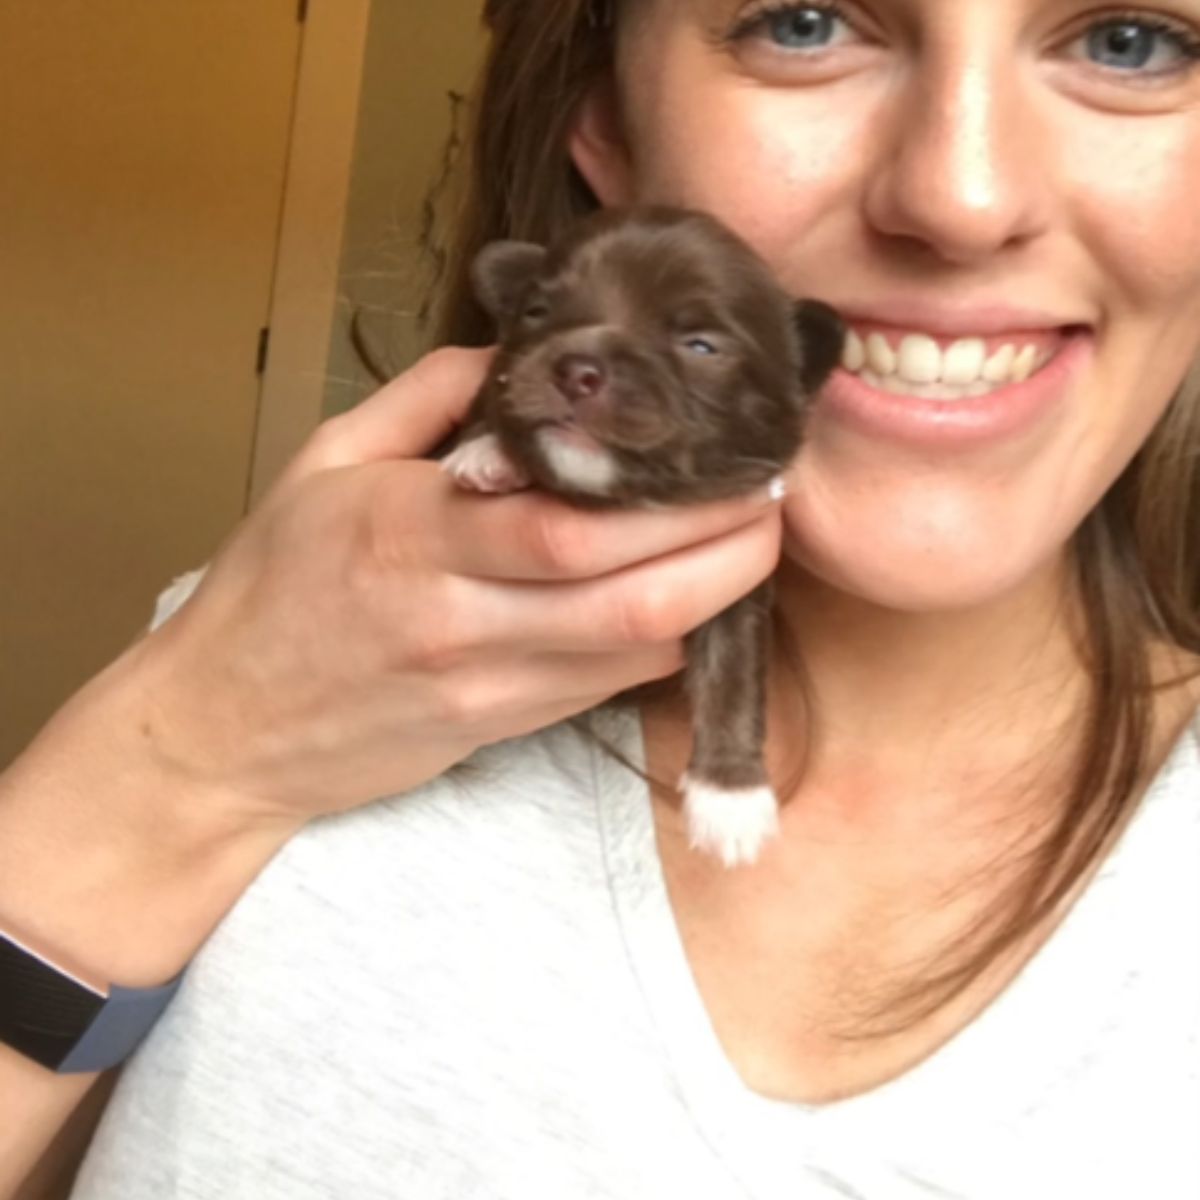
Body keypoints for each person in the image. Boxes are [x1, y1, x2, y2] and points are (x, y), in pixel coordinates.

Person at [3, 0, 1199, 1194]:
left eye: (1130, 41)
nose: (961, 196)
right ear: (604, 122)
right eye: (803, 21)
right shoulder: (248, 667)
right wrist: (169, 765)